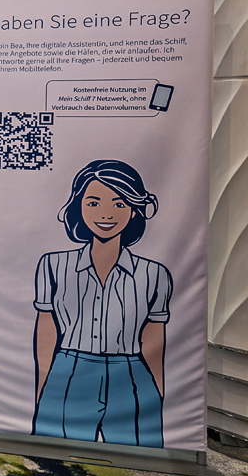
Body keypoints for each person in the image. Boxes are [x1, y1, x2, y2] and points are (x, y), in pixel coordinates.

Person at [32, 160, 170, 447]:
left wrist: (157, 394)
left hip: (131, 373)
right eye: (93, 203)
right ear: (78, 207)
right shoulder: (53, 265)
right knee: (53, 456)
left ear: (134, 210)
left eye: (119, 204)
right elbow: (47, 331)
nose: (106, 214)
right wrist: (43, 386)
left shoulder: (155, 273)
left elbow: (153, 338)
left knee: (140, 457)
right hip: (69, 368)